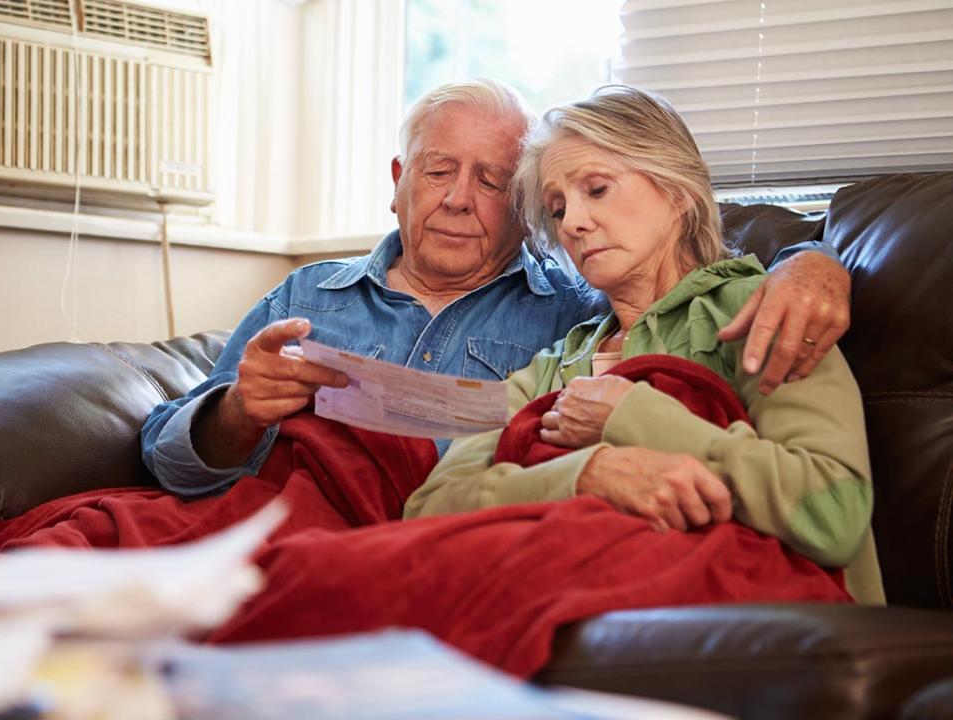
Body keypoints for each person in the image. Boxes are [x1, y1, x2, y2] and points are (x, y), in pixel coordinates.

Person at [141, 79, 852, 498]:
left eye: (490, 182)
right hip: (263, 524)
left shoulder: (573, 312)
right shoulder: (305, 298)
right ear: (398, 182)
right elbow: (164, 461)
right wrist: (236, 412)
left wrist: (814, 259)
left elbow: (688, 282)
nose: (457, 199)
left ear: (520, 210)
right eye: (438, 170)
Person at [403, 85, 884, 606]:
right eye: (558, 208)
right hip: (586, 611)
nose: (575, 223)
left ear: (676, 190)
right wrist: (584, 475)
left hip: (762, 627)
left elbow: (834, 513)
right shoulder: (555, 365)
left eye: (598, 189)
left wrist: (634, 417)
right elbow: (431, 508)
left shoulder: (757, 312)